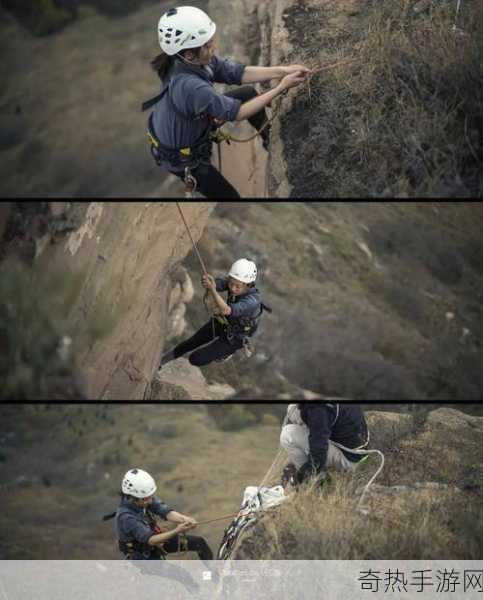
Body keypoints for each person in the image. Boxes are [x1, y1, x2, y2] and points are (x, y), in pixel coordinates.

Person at [143, 5, 312, 198]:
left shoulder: (189, 60)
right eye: (206, 45)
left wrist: (283, 70)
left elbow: (238, 73)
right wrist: (281, 87)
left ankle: (269, 138)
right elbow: (237, 113)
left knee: (247, 93)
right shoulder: (190, 86)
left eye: (210, 41)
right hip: (185, 160)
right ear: (189, 54)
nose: (213, 47)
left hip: (187, 129)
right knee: (231, 198)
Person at [114, 468, 214, 591]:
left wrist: (185, 519)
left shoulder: (143, 499)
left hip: (157, 542)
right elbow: (151, 540)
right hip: (143, 557)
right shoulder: (126, 517)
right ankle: (198, 594)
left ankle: (215, 573)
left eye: (150, 497)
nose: (150, 501)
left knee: (199, 543)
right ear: (132, 497)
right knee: (182, 574)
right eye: (146, 499)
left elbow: (165, 511)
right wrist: (176, 531)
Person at [160, 258, 269, 369]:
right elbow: (220, 284)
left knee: (195, 359)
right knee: (190, 343)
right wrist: (209, 283)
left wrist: (212, 290)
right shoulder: (235, 282)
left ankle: (226, 352)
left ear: (248, 285)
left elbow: (228, 310)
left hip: (235, 337)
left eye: (237, 286)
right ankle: (161, 362)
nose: (233, 288)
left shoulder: (252, 301)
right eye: (231, 283)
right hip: (223, 322)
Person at [280, 404, 369, 486]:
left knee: (287, 434)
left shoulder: (317, 410)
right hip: (356, 447)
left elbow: (318, 455)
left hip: (350, 458)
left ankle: (317, 480)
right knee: (292, 408)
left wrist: (301, 476)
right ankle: (311, 441)